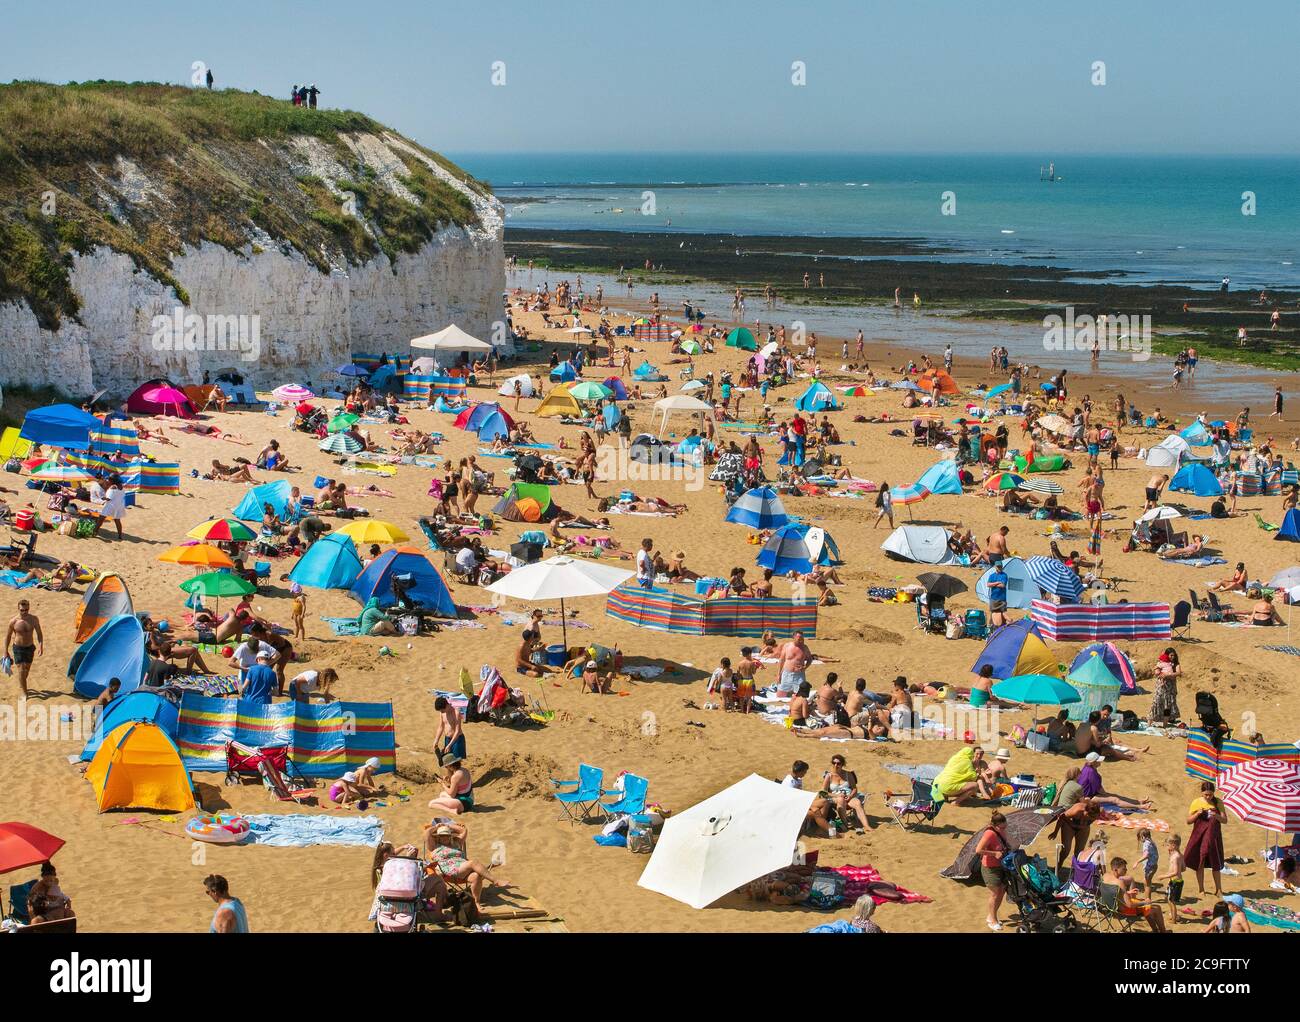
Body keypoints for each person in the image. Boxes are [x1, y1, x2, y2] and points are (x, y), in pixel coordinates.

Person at [424, 821, 494, 911]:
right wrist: (437, 827)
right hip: (445, 871)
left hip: (462, 869)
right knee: (473, 863)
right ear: (438, 837)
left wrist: (447, 825)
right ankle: (494, 880)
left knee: (476, 876)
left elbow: (464, 830)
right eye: (442, 836)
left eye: (447, 835)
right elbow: (427, 833)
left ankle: (476, 902)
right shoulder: (434, 846)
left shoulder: (457, 843)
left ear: (450, 836)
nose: (445, 837)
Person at [1185, 781, 1227, 897]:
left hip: (1214, 837)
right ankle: (1201, 889)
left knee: (1216, 862)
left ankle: (1218, 889)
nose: (1208, 797)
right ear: (1202, 793)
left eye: (1210, 794)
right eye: (1206, 795)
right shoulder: (1196, 802)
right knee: (1200, 861)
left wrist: (1216, 815)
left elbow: (1224, 820)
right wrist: (1197, 814)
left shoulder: (1218, 802)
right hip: (1199, 836)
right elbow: (1188, 821)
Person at [1103, 857, 1168, 932]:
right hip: (1124, 910)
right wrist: (1145, 902)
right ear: (1115, 870)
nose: (1126, 870)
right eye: (1124, 869)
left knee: (1148, 907)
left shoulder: (1105, 876)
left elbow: (1112, 892)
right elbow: (1130, 905)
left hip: (1111, 906)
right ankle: (1163, 931)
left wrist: (1127, 893)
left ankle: (1155, 930)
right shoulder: (1119, 883)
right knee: (1157, 908)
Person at [975, 811, 1011, 930]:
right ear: (995, 826)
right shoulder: (989, 834)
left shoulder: (1002, 831)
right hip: (990, 868)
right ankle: (993, 919)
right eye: (1002, 827)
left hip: (1001, 866)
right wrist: (994, 853)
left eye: (1005, 826)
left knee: (1001, 891)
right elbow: (978, 850)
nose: (1004, 829)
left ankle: (991, 916)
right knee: (995, 894)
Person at [3, 599, 43, 698]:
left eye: (26, 610)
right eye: (22, 610)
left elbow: (39, 633)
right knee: (21, 670)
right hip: (18, 648)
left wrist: (41, 645)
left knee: (27, 670)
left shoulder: (34, 619)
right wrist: (5, 651)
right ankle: (25, 693)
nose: (24, 612)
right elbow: (8, 636)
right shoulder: (13, 621)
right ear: (18, 609)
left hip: (30, 647)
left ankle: (22, 682)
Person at [433, 696, 466, 762]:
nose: (441, 712)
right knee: (447, 762)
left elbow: (457, 731)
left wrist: (449, 745)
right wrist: (436, 740)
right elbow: (441, 727)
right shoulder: (442, 713)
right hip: (447, 739)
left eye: (442, 710)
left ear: (447, 705)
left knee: (456, 762)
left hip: (457, 739)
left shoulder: (456, 712)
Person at [985, 560, 1008, 627]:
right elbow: (988, 584)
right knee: (992, 613)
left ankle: (1003, 627)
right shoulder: (992, 576)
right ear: (995, 567)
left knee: (1003, 613)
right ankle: (989, 626)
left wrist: (993, 584)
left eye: (1000, 567)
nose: (999, 568)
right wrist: (997, 582)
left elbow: (1003, 585)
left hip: (1002, 598)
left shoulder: (1004, 575)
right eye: (998, 567)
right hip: (994, 598)